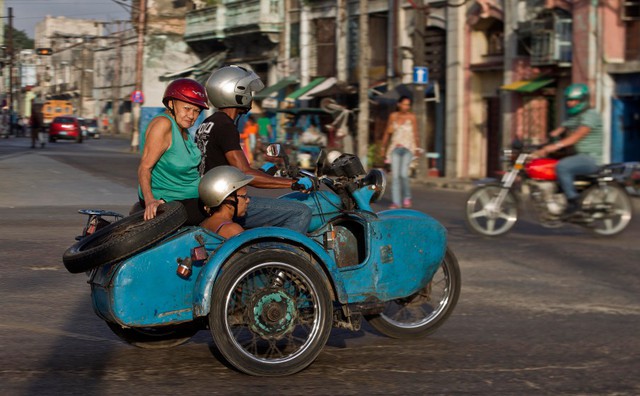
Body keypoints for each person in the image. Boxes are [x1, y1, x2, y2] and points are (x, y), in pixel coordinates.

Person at [195, 65, 312, 234]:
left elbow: (225, 166)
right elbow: (245, 172)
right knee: (301, 212)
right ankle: (278, 257)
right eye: (247, 91)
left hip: (213, 199)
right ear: (235, 92)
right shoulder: (226, 126)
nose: (250, 96)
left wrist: (263, 172)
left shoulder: (208, 123)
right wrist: (293, 183)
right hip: (227, 202)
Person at [137, 78, 211, 225]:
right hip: (171, 200)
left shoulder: (183, 129)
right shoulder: (163, 124)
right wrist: (150, 200)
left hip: (189, 196)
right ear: (171, 104)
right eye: (187, 108)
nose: (191, 116)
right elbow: (145, 168)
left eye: (196, 111)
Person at [532, 83, 603, 217]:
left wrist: (554, 146)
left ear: (582, 100)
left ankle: (573, 201)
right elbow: (560, 129)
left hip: (591, 158)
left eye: (573, 100)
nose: (570, 103)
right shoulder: (576, 116)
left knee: (563, 166)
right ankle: (556, 197)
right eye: (568, 100)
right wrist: (544, 143)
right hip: (579, 156)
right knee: (551, 165)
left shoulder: (591, 115)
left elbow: (576, 136)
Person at [379, 95, 421, 209]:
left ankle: (407, 197)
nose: (406, 107)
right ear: (399, 104)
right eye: (404, 104)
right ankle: (396, 202)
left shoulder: (412, 117)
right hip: (395, 149)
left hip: (408, 149)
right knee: (396, 176)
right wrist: (383, 148)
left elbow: (416, 134)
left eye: (408, 105)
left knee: (403, 174)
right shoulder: (393, 116)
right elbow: (387, 133)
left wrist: (417, 149)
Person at [199, 166, 253, 239]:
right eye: (244, 196)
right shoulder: (232, 230)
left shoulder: (204, 224)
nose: (247, 200)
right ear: (229, 202)